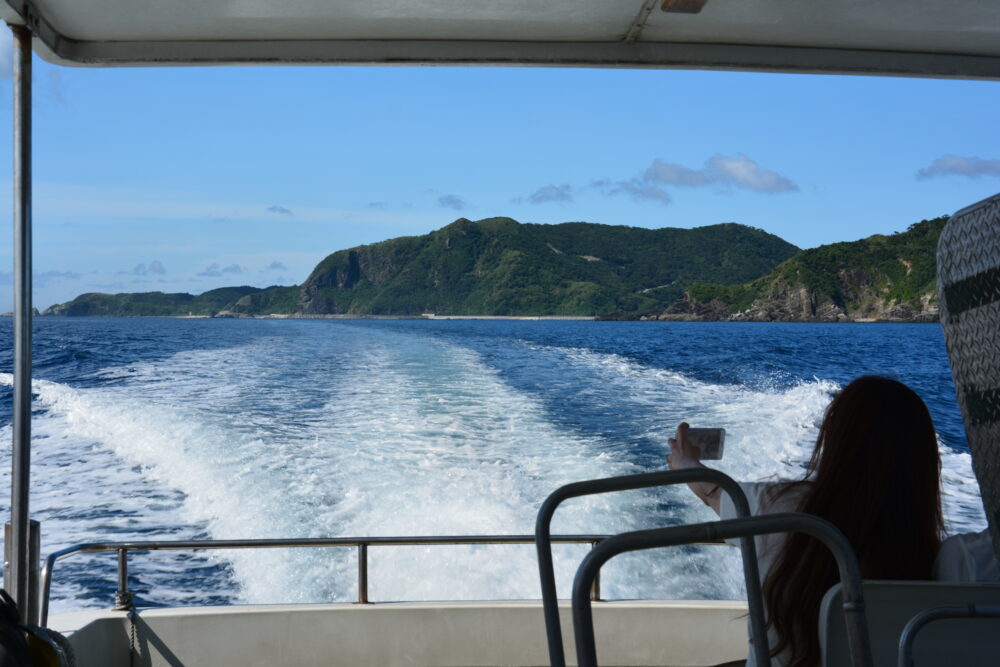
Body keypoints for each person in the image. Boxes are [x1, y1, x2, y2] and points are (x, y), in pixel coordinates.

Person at [667, 376, 944, 667]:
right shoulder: (948, 561)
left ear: (835, 441)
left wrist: (685, 463)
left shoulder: (779, 506)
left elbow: (713, 494)